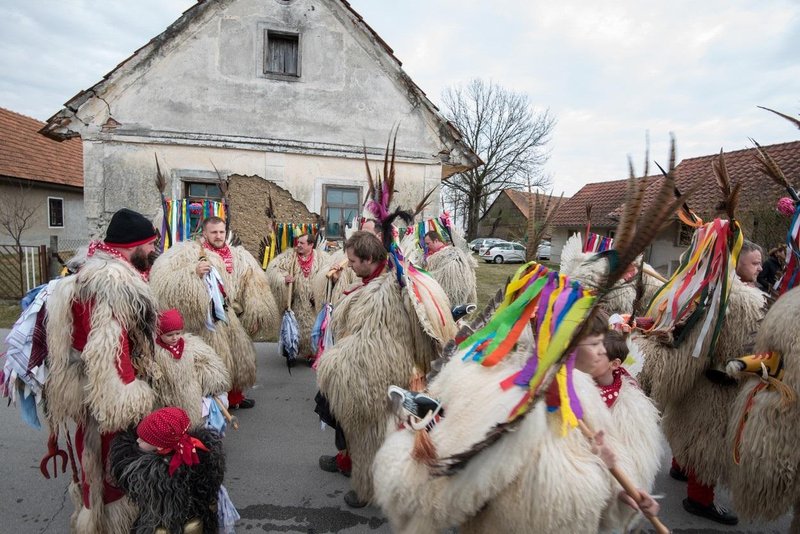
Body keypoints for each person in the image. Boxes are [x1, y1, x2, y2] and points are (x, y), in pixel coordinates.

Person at [45, 208, 160, 533]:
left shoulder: (99, 270)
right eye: (150, 244)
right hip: (107, 399)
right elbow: (107, 350)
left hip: (91, 393)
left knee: (92, 463)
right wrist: (129, 395)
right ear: (132, 245)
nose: (153, 251)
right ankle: (106, 523)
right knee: (109, 472)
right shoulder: (111, 283)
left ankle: (97, 516)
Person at [316, 231, 449, 508]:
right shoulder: (375, 280)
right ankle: (346, 459)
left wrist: (334, 366)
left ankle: (369, 489)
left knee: (371, 433)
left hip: (375, 374)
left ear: (368, 259)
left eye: (353, 260)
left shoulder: (382, 294)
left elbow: (374, 344)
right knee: (345, 422)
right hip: (370, 367)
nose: (348, 265)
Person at [150, 216, 277, 410]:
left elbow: (254, 282)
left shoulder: (239, 256)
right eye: (214, 232)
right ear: (205, 233)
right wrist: (193, 272)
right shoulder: (188, 253)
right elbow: (164, 281)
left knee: (240, 356)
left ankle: (235, 397)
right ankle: (214, 403)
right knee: (216, 360)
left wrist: (256, 310)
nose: (218, 236)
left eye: (221, 232)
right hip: (206, 319)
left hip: (231, 315)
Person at [575, 327, 664, 530]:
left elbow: (636, 462)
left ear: (615, 364)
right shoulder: (574, 388)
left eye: (599, 352)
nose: (590, 355)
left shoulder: (631, 407)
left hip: (602, 500)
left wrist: (626, 490)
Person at [108, 406, 232, 534]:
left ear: (160, 447)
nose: (137, 441)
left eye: (143, 439)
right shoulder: (200, 456)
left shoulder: (152, 476)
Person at [148, 309, 231, 426]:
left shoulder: (191, 346)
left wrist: (209, 380)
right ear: (159, 333)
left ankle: (193, 435)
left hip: (190, 391)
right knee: (170, 421)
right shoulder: (154, 352)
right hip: (166, 395)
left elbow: (207, 362)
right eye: (169, 335)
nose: (175, 338)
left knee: (192, 417)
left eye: (178, 333)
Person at [266, 232, 329, 364]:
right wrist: (283, 278)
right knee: (292, 327)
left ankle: (311, 353)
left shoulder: (322, 259)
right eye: (298, 242)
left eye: (302, 243)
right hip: (294, 301)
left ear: (311, 245)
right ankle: (290, 352)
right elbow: (273, 269)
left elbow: (327, 274)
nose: (298, 245)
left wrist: (318, 291)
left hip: (312, 303)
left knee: (312, 328)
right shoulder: (289, 256)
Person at [422, 230, 477, 307]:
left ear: (436, 241)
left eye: (428, 243)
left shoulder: (448, 256)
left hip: (451, 295)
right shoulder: (436, 256)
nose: (427, 246)